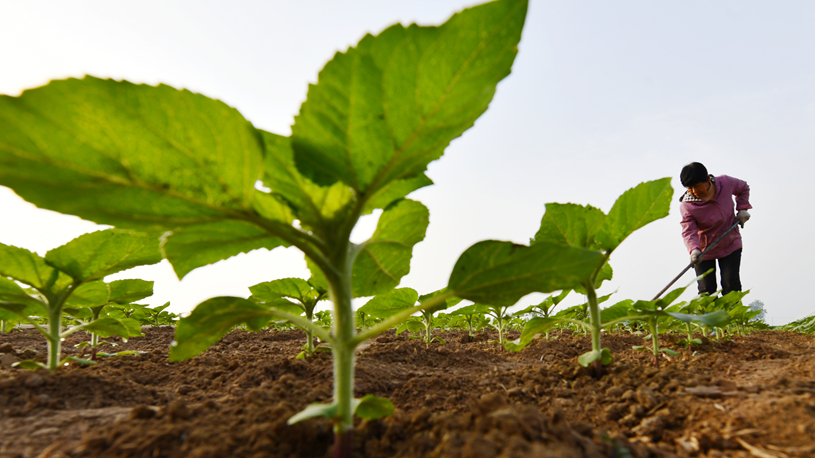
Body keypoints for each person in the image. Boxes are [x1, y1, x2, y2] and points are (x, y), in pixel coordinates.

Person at [679, 162, 751, 296]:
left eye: (697, 186)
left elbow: (743, 188)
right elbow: (689, 231)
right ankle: (710, 317)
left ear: (707, 179)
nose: (694, 192)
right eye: (690, 188)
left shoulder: (725, 182)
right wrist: (694, 250)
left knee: (731, 284)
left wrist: (742, 209)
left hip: (730, 242)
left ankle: (733, 316)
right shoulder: (687, 205)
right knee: (706, 291)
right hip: (704, 251)